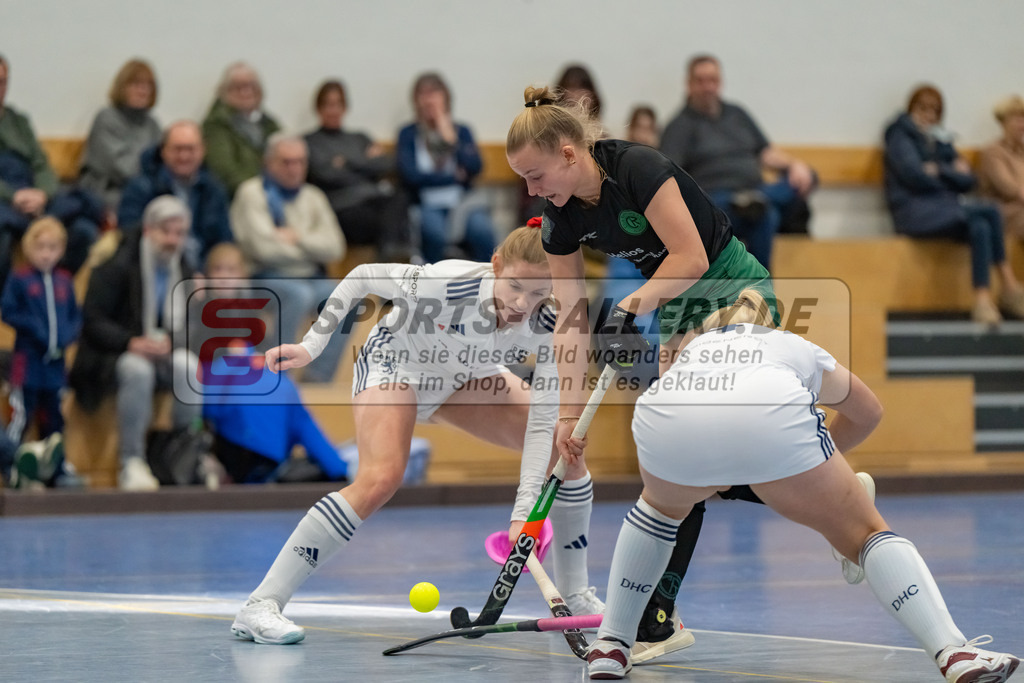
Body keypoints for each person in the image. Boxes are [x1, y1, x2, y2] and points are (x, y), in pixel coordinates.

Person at [506, 84, 806, 663]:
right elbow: (569, 322)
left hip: (729, 286)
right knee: (678, 462)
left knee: (695, 450)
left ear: (569, 154)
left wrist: (629, 306)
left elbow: (691, 256)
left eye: (536, 175)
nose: (531, 190)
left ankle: (828, 494)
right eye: (523, 179)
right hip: (675, 306)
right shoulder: (559, 220)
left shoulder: (638, 168)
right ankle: (661, 621)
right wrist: (571, 420)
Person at [585, 290, 1021, 682]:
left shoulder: (692, 347)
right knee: (866, 532)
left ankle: (611, 645)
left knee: (657, 513)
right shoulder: (788, 343)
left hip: (667, 417)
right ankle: (953, 652)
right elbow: (868, 412)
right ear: (766, 322)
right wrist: (821, 467)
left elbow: (715, 431)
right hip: (771, 417)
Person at [230, 225, 604, 644]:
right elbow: (363, 276)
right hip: (396, 365)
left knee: (564, 451)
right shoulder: (447, 282)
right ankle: (261, 604)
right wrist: (312, 346)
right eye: (515, 286)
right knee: (381, 478)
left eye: (539, 293)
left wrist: (525, 516)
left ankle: (577, 598)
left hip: (465, 378)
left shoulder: (555, 320)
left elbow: (541, 420)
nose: (522, 303)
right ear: (496, 264)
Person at [68, 196, 201, 491]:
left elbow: (192, 325)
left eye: (179, 234)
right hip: (112, 354)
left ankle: (183, 453)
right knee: (138, 370)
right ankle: (133, 460)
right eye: (166, 232)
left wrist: (172, 341)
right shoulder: (118, 264)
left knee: (188, 366)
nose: (172, 241)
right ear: (149, 231)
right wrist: (131, 342)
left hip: (162, 351)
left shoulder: (185, 266)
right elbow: (93, 320)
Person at [197, 242, 349, 484]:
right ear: (206, 275)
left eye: (232, 270)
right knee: (267, 388)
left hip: (246, 375)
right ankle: (269, 463)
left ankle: (337, 468)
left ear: (243, 275)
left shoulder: (248, 310)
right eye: (218, 270)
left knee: (284, 388)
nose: (225, 277)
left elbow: (254, 347)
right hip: (217, 379)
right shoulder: (197, 305)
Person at [883, 85, 1024, 325]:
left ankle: (982, 300)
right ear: (911, 108)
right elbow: (915, 176)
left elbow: (968, 179)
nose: (929, 115)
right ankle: (1010, 285)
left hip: (944, 210)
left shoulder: (940, 139)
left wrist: (938, 170)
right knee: (990, 210)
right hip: (913, 213)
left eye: (935, 111)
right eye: (923, 108)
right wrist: (947, 173)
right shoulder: (899, 136)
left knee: (980, 226)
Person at [659, 54, 817, 268]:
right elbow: (669, 177)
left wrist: (794, 165)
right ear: (689, 84)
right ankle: (760, 291)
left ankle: (755, 198)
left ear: (720, 82)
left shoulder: (738, 114)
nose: (708, 87)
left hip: (755, 190)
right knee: (766, 214)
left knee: (806, 177)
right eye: (701, 81)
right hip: (715, 201)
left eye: (713, 80)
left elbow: (765, 152)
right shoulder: (678, 126)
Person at [229, 132, 346, 383]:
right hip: (261, 278)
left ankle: (318, 380)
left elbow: (336, 247)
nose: (294, 168)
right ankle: (275, 375)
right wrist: (311, 249)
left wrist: (297, 237)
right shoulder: (252, 193)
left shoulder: (313, 196)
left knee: (348, 299)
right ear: (268, 163)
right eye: (286, 162)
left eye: (300, 161)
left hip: (309, 277)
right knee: (296, 295)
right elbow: (265, 250)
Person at [0, 54, 102, 292]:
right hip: (6, 202)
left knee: (83, 230)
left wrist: (42, 193)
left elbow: (41, 163)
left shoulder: (18, 121)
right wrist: (13, 197)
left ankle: (54, 293)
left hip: (32, 198)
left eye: (3, 81)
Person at [304, 79, 412, 262]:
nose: (334, 110)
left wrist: (347, 162)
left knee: (401, 197)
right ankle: (391, 257)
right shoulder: (310, 142)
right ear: (319, 108)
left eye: (338, 104)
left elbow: (387, 164)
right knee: (389, 223)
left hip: (374, 201)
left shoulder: (359, 138)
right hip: (342, 209)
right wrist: (365, 163)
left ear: (345, 108)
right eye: (329, 105)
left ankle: (389, 254)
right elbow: (326, 176)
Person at [396, 72, 495, 264]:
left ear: (446, 98)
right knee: (434, 233)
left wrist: (451, 139)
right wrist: (454, 177)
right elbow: (411, 176)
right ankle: (433, 287)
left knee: (482, 229)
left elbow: (475, 168)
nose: (428, 100)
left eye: (434, 93)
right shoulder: (408, 134)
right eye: (423, 94)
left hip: (462, 201)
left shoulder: (461, 131)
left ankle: (486, 283)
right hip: (426, 203)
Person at [1, 217, 81, 444]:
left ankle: (55, 467)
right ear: (29, 248)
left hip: (55, 363)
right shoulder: (20, 279)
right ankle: (13, 462)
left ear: (61, 249)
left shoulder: (64, 281)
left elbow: (75, 315)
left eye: (52, 248)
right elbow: (9, 311)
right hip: (27, 360)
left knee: (54, 415)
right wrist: (34, 328)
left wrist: (69, 334)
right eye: (40, 247)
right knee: (23, 412)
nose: (46, 254)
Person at [118, 120, 234, 269]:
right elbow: (130, 238)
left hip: (204, 272)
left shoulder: (213, 189)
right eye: (177, 149)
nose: (184, 156)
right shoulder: (140, 188)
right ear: (163, 151)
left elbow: (223, 240)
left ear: (203, 151)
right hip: (156, 268)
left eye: (191, 149)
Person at [78, 58, 161, 212]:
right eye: (136, 84)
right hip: (106, 192)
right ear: (122, 87)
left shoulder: (153, 124)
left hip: (145, 190)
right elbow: (123, 169)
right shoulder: (106, 118)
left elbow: (163, 162)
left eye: (148, 85)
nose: (142, 90)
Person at [202, 62, 281, 198]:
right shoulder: (216, 125)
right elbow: (224, 170)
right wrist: (259, 191)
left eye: (252, 86)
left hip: (275, 193)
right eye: (238, 87)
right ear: (224, 91)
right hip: (236, 198)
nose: (246, 92)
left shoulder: (269, 124)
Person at [978, 95, 1024, 241]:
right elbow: (1009, 188)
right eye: (1017, 119)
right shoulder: (993, 152)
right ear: (1004, 123)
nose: (1022, 125)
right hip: (1003, 212)